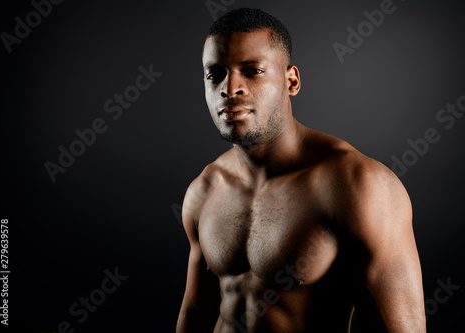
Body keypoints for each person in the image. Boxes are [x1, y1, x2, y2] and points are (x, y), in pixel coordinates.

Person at [177, 8, 425, 333]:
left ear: (290, 80)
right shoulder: (206, 189)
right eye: (215, 74)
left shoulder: (358, 185)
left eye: (252, 71)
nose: (230, 88)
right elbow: (196, 312)